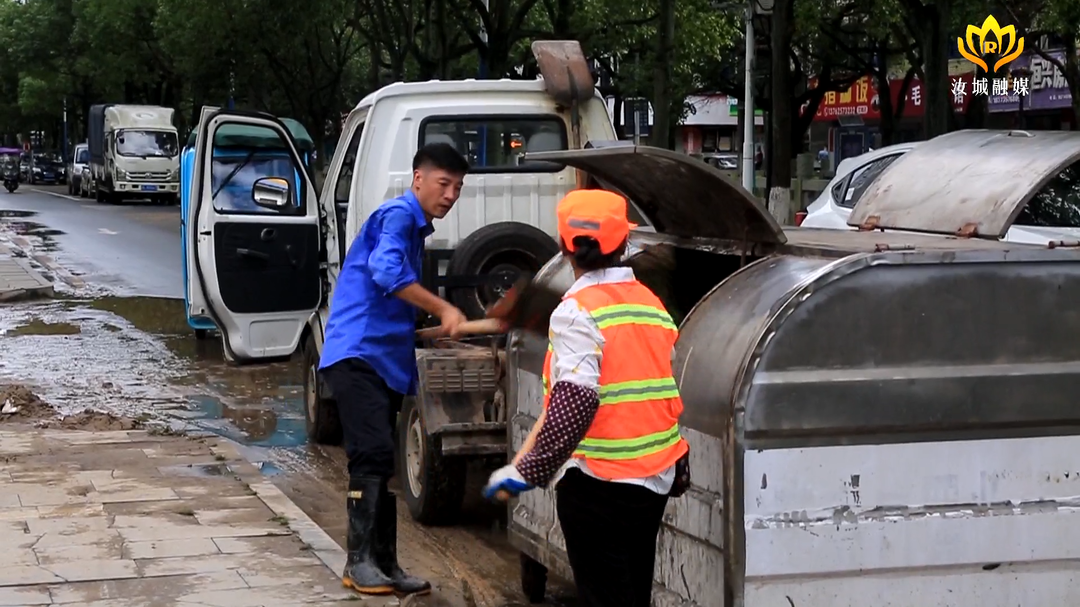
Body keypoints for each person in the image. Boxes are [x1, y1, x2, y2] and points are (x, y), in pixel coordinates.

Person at [483, 189, 691, 607]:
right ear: (625, 244)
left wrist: (527, 472)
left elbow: (575, 402)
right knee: (631, 593)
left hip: (597, 486)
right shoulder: (652, 305)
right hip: (652, 480)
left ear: (564, 247)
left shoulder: (576, 311)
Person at [319, 142, 470, 597]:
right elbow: (386, 274)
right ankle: (358, 563)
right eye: (443, 184)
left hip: (381, 360)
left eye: (458, 187)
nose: (450, 194)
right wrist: (443, 306)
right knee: (372, 453)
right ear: (418, 179)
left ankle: (384, 564)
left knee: (380, 460)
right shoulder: (399, 216)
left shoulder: (413, 228)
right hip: (358, 354)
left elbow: (389, 294)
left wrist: (427, 324)